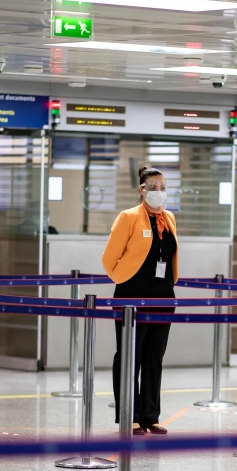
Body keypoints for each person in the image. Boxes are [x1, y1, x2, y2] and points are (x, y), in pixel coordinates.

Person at [102, 165, 178, 436]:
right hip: (132, 296)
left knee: (154, 356)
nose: (159, 192)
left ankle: (150, 415)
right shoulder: (129, 217)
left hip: (163, 296)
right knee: (129, 356)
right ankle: (129, 415)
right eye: (153, 188)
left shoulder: (168, 218)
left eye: (163, 188)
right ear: (142, 189)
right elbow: (109, 259)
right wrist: (125, 280)